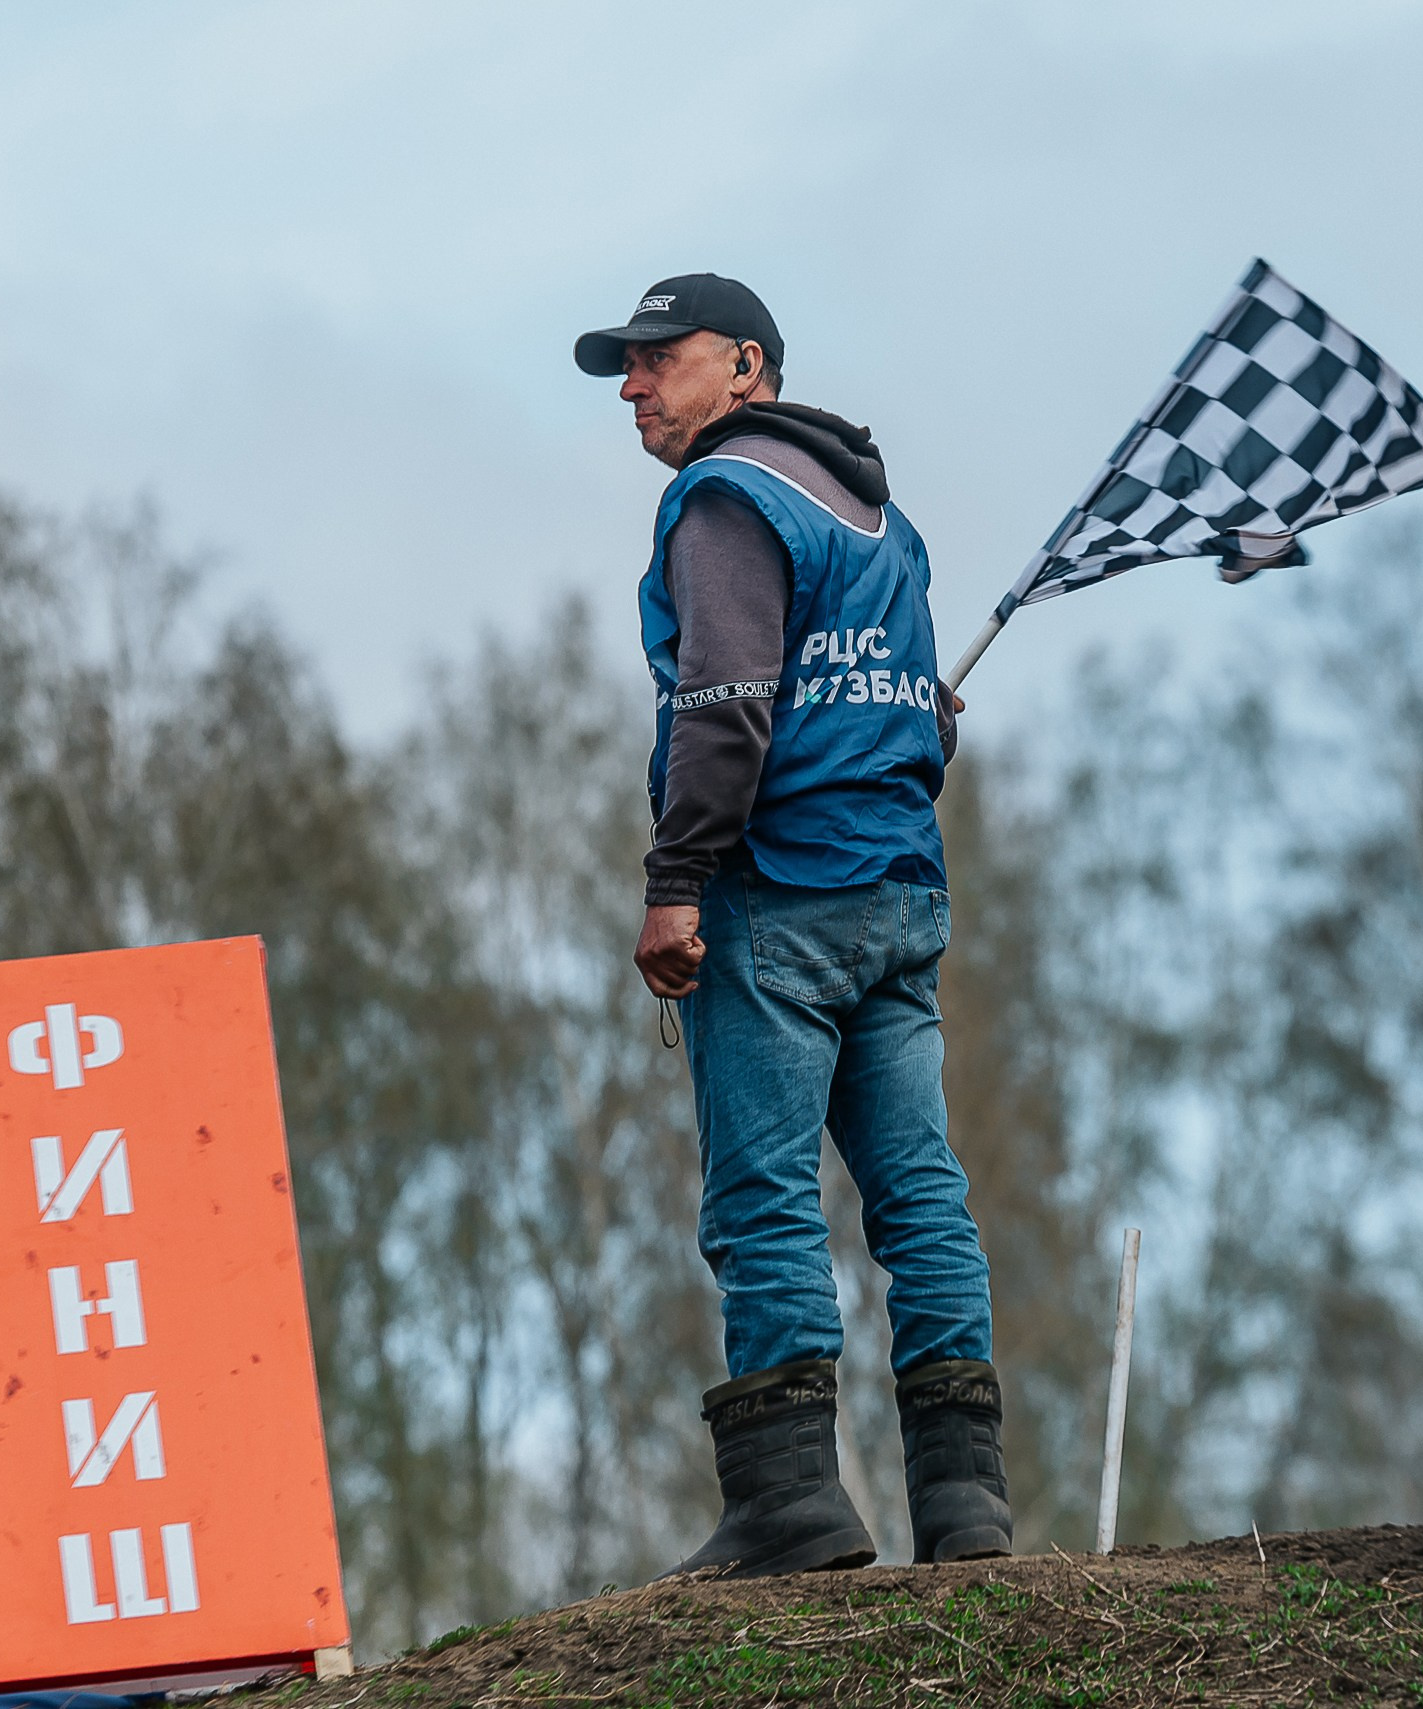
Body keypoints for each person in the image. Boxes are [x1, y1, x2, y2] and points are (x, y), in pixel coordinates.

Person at [574, 274, 1010, 1577]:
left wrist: (675, 879)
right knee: (921, 1195)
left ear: (747, 369)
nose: (633, 383)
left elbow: (723, 703)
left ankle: (789, 1503)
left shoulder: (723, 501)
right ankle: (967, 1506)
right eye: (626, 364)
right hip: (899, 895)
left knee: (762, 1197)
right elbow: (921, 726)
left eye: (660, 357)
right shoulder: (887, 522)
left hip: (776, 893)